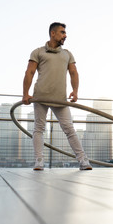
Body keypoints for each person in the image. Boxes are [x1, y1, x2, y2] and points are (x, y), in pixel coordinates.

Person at [22, 22, 92, 171]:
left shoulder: (67, 54)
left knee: (69, 129)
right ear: (52, 33)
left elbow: (74, 73)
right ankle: (39, 161)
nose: (65, 35)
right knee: (39, 128)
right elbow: (30, 72)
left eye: (65, 33)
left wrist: (75, 90)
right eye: (62, 32)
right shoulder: (38, 52)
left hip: (60, 98)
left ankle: (83, 161)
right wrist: (25, 93)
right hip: (40, 97)